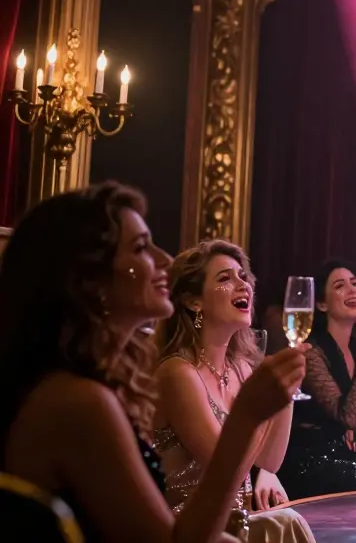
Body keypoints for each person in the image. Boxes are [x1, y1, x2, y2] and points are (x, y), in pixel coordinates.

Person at [0, 182, 304, 542]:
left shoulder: (97, 384)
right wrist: (247, 417)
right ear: (90, 279)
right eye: (142, 247)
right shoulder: (77, 401)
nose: (165, 260)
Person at [153, 240, 315, 542]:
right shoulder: (177, 373)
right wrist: (257, 407)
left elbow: (270, 461)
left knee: (285, 522)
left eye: (243, 277)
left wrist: (287, 392)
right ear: (193, 301)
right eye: (225, 278)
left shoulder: (241, 368)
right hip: (191, 528)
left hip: (238, 521)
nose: (243, 285)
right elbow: (230, 472)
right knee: (284, 523)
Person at [277, 261, 356, 498]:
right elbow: (348, 416)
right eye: (340, 286)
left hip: (346, 454)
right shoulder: (313, 351)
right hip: (310, 459)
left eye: (355, 283)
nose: (353, 290)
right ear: (322, 304)